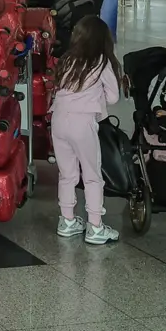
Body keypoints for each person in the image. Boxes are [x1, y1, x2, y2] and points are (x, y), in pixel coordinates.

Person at [51, 15, 123, 245]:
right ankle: (95, 227)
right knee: (92, 176)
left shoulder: (66, 59)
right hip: (83, 124)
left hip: (59, 119)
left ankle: (67, 221)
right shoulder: (101, 61)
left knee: (67, 174)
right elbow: (113, 97)